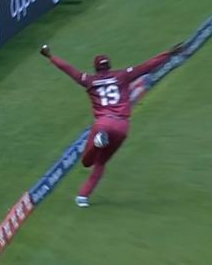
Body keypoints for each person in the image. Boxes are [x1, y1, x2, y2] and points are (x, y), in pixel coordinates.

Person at [40, 43, 184, 207]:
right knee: (101, 163)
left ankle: (99, 142)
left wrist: (51, 56)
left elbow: (69, 69)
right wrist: (168, 54)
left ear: (95, 68)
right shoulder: (122, 76)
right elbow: (146, 67)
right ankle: (83, 196)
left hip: (103, 123)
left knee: (87, 162)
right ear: (109, 66)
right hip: (122, 126)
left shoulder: (90, 80)